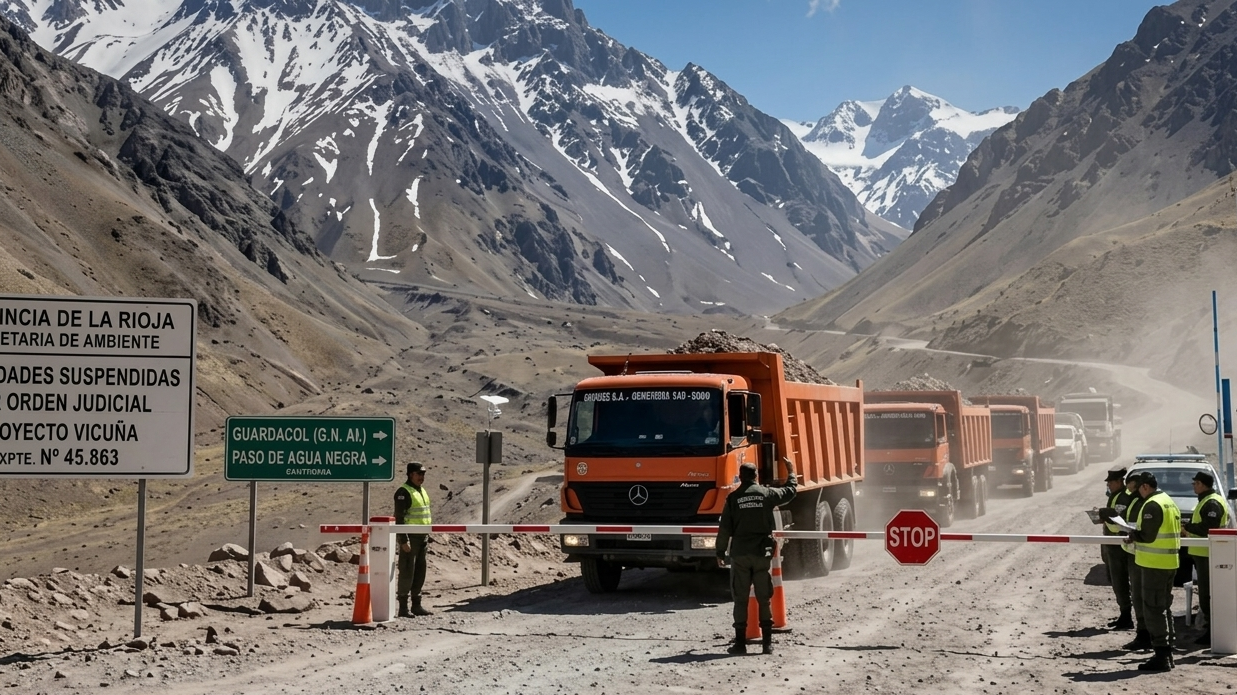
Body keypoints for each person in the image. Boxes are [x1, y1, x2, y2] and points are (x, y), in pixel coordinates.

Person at [715, 459, 797, 655]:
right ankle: (767, 644)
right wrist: (791, 471)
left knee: (741, 599)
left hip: (740, 554)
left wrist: (720, 552)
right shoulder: (767, 494)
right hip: (762, 553)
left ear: (740, 477)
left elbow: (725, 528)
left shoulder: (733, 499)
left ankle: (740, 644)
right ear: (756, 476)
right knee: (764, 598)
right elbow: (790, 491)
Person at [1124, 471, 1181, 672]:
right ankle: (1167, 652)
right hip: (1167, 563)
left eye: (1139, 487)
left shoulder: (1152, 504)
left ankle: (1162, 656)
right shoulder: (1168, 501)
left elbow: (1147, 536)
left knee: (1153, 609)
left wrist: (1133, 535)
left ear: (1145, 486)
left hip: (1155, 564)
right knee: (1163, 607)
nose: (1138, 491)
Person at [1181, 470, 1230, 646]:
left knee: (1208, 595)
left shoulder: (1211, 502)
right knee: (1206, 593)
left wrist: (1189, 527)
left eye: (1195, 483)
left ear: (1202, 484)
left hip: (1208, 554)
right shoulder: (1206, 501)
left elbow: (1210, 526)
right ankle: (1211, 631)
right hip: (1204, 553)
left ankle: (1212, 633)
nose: (1193, 486)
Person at [1096, 467, 1135, 630]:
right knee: (1115, 580)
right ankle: (1124, 615)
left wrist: (1106, 518)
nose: (1109, 485)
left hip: (1118, 545)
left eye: (1111, 482)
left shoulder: (1123, 498)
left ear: (1120, 482)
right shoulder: (1116, 496)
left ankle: (1126, 616)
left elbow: (1119, 521)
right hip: (1112, 544)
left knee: (1119, 580)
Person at [394, 461, 433, 618]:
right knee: (407, 572)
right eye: (419, 474)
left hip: (422, 538)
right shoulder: (404, 492)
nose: (422, 477)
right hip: (410, 538)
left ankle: (416, 605)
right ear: (411, 474)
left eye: (423, 474)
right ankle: (403, 608)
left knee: (419, 572)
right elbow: (399, 518)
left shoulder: (421, 491)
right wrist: (403, 540)